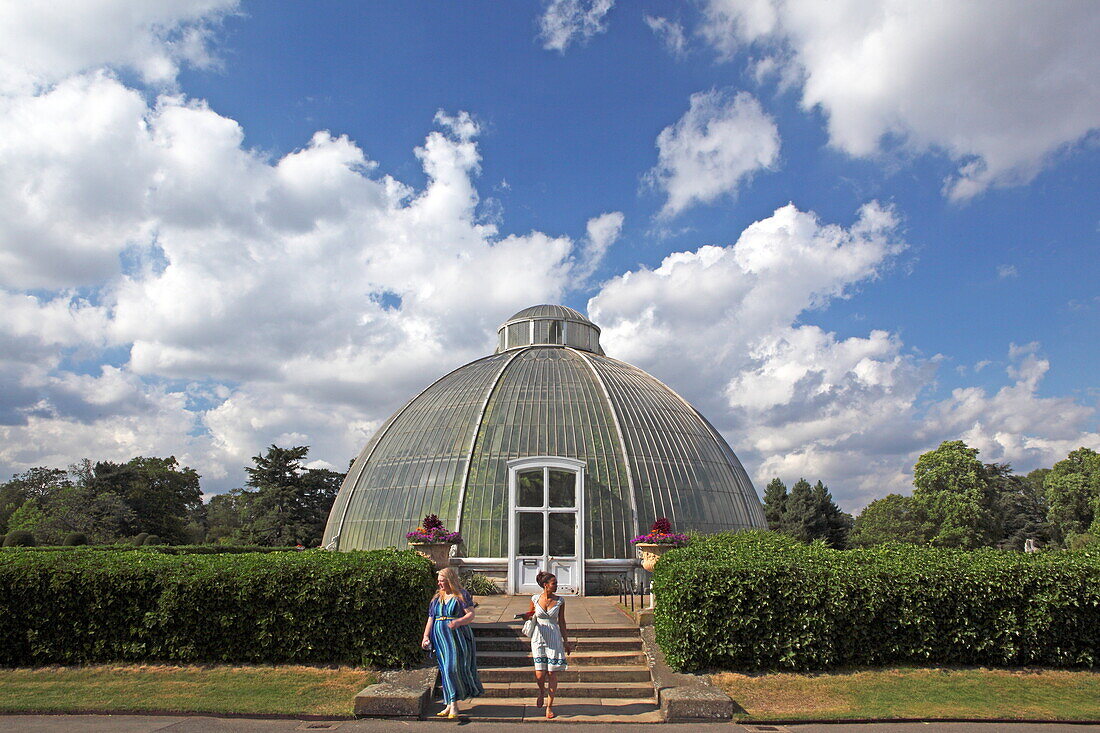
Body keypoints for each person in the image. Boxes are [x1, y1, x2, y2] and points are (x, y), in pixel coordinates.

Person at [421, 567, 483, 718]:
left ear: (451, 580)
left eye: (443, 581)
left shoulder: (461, 595)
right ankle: (449, 703)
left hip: (457, 637)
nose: (440, 584)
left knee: (452, 668)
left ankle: (454, 702)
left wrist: (458, 622)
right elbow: (431, 618)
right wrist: (426, 636)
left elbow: (470, 615)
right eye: (439, 582)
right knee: (444, 669)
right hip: (440, 637)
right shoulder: (437, 598)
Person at [520, 570, 572, 719]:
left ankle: (549, 706)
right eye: (554, 583)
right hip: (538, 636)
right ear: (545, 585)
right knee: (540, 673)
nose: (556, 586)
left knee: (552, 672)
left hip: (553, 636)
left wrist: (566, 641)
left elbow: (562, 622)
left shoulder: (560, 601)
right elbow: (530, 615)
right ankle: (541, 691)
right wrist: (525, 616)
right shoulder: (535, 599)